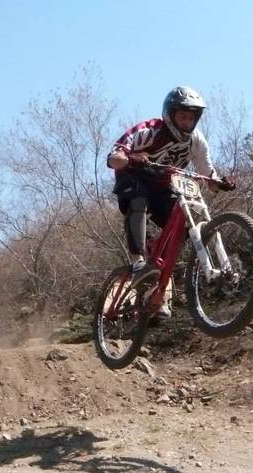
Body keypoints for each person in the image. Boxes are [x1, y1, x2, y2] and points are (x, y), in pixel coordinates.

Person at [107, 86, 226, 320]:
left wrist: (220, 183)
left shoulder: (195, 140)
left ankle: (157, 291)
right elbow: (113, 158)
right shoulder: (150, 130)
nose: (187, 122)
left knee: (181, 227)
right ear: (170, 115)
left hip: (162, 186)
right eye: (182, 116)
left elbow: (207, 173)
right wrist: (132, 158)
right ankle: (138, 262)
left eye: (191, 117)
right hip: (134, 178)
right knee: (138, 200)